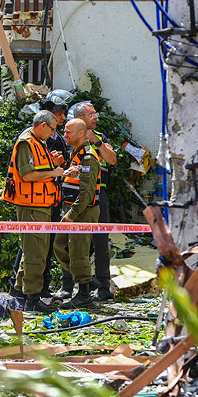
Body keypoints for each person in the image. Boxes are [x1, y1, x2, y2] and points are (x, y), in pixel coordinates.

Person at [7, 92, 71, 301]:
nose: (54, 133)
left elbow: (40, 170)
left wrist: (54, 165)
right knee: (35, 253)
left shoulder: (39, 142)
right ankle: (32, 300)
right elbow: (27, 175)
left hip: (41, 204)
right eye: (52, 128)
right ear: (42, 125)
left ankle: (19, 293)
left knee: (34, 251)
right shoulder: (27, 142)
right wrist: (54, 172)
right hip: (31, 205)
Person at [53, 118, 101, 309]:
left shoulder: (88, 157)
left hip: (83, 211)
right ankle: (87, 281)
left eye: (68, 132)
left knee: (78, 251)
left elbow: (87, 192)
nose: (64, 135)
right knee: (60, 245)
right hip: (72, 209)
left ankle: (84, 295)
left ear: (81, 133)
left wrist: (72, 213)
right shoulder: (75, 153)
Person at [72, 101, 117, 301]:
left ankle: (103, 287)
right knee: (73, 242)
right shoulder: (71, 135)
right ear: (80, 117)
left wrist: (96, 142)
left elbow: (112, 159)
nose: (96, 117)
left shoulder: (101, 137)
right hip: (74, 195)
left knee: (100, 242)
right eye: (91, 114)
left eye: (95, 113)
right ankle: (71, 286)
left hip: (99, 196)